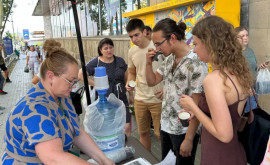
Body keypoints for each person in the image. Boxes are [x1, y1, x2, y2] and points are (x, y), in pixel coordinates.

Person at [1, 39, 114, 165]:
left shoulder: (62, 97)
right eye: (71, 81)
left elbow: (77, 132)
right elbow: (53, 158)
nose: (73, 86)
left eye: (75, 82)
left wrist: (104, 160)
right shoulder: (35, 109)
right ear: (50, 76)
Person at [180, 15, 253, 165]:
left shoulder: (214, 80)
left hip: (218, 155)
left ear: (209, 44)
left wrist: (193, 106)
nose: (194, 50)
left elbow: (224, 134)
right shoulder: (238, 71)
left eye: (196, 44)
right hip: (235, 152)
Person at [145, 18, 207, 164]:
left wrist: (189, 139)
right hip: (166, 124)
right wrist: (148, 63)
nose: (157, 49)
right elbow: (152, 81)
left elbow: (197, 105)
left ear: (172, 38)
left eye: (158, 44)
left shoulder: (197, 63)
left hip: (184, 130)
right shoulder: (169, 58)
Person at [78, 38, 133, 136]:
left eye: (111, 47)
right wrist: (97, 84)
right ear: (100, 50)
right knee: (108, 128)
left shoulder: (120, 61)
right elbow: (80, 75)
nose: (109, 50)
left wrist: (131, 95)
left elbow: (126, 79)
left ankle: (124, 146)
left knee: (126, 127)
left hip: (121, 99)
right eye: (105, 48)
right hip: (104, 102)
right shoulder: (96, 62)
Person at [125, 18, 163, 152]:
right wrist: (129, 83)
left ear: (145, 32)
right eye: (130, 36)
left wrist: (166, 89)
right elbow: (132, 72)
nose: (134, 39)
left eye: (136, 35)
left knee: (160, 135)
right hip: (140, 98)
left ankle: (167, 161)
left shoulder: (158, 46)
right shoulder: (132, 51)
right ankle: (148, 160)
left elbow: (170, 71)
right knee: (143, 133)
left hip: (158, 98)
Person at [235, 26, 269, 112]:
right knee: (246, 114)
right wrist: (245, 86)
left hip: (252, 87)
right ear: (235, 38)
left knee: (252, 113)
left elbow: (252, 68)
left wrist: (260, 67)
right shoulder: (233, 53)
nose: (245, 38)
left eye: (247, 35)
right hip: (241, 88)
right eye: (242, 36)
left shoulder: (250, 51)